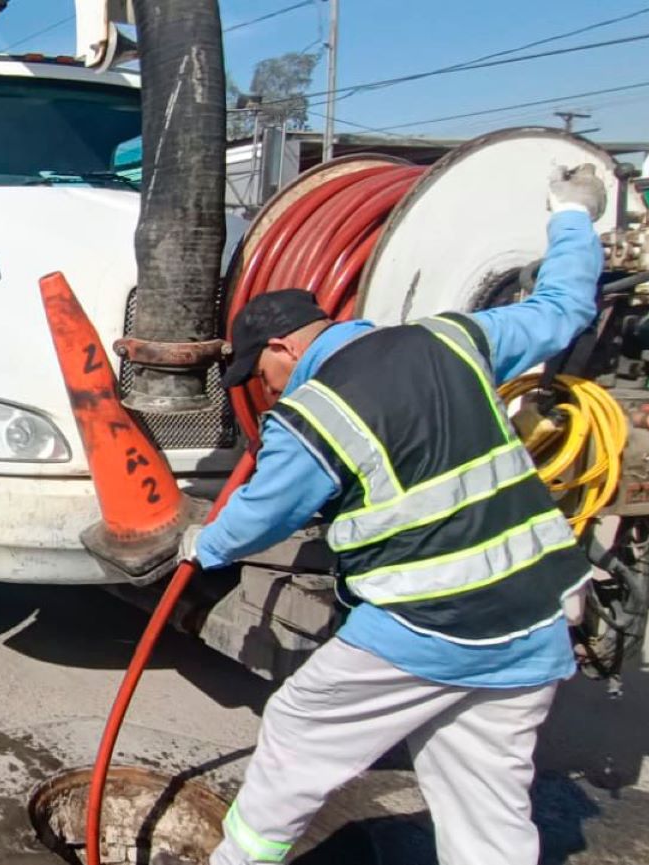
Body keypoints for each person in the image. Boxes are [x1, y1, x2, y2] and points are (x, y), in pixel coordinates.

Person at [194, 165, 610, 865]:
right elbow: (564, 306)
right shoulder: (453, 338)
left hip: (431, 623)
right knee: (484, 799)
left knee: (300, 726)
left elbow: (261, 515)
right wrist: (573, 214)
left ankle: (238, 860)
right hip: (536, 617)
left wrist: (199, 545)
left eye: (255, 373)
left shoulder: (314, 410)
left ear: (282, 348)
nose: (261, 388)